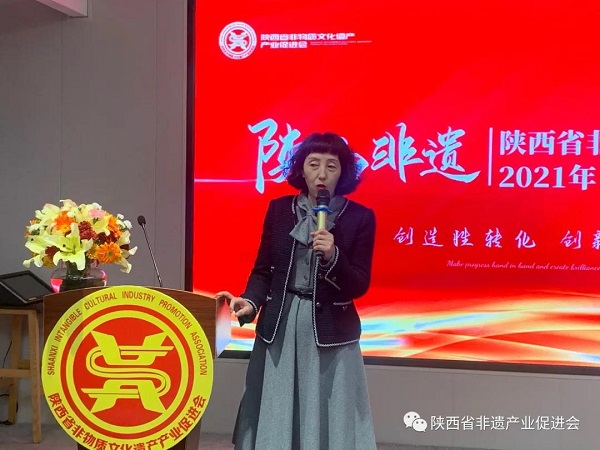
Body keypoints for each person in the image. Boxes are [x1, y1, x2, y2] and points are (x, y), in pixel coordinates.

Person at [216, 131, 377, 450]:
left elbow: (359, 283)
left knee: (327, 413)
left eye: (331, 166)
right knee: (277, 408)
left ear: (343, 173)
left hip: (331, 331)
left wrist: (333, 256)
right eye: (314, 164)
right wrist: (250, 302)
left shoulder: (360, 217)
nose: (322, 174)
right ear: (301, 169)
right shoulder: (279, 210)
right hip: (282, 324)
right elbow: (263, 270)